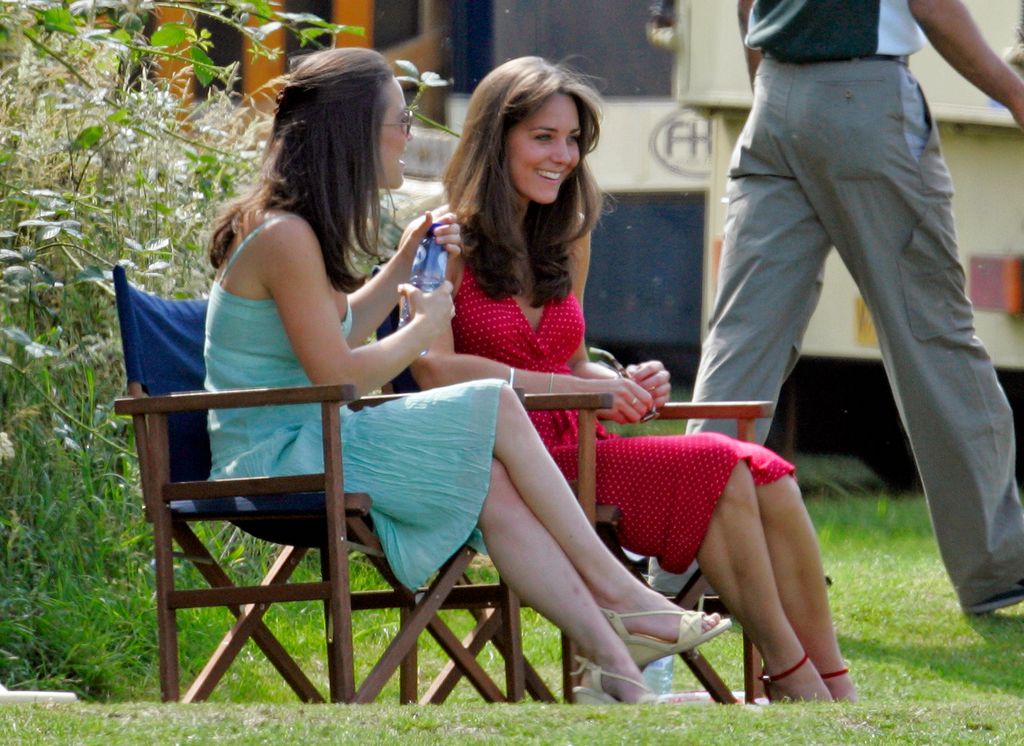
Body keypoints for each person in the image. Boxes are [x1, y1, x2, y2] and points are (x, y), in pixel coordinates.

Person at [201, 46, 733, 706]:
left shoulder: (296, 231)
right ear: (355, 132)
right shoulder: (285, 236)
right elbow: (339, 376)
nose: (409, 137)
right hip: (280, 455)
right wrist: (421, 331)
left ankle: (619, 671)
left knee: (498, 486)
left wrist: (400, 264)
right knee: (495, 404)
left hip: (315, 436)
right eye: (399, 121)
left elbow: (340, 333)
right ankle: (626, 596)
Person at [409, 55, 856, 702]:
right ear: (493, 137)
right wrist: (582, 388)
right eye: (543, 137)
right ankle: (799, 682)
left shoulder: (566, 236)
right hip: (504, 460)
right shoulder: (444, 237)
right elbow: (432, 366)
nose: (563, 156)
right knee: (722, 465)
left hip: (583, 446)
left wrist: (621, 382)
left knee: (764, 475)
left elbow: (568, 358)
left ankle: (824, 675)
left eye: (572, 141)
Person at [685, 0, 1024, 616]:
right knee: (932, 337)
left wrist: (773, 93)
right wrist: (1014, 92)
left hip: (774, 94)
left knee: (741, 343)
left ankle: (687, 561)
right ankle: (997, 566)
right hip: (863, 98)